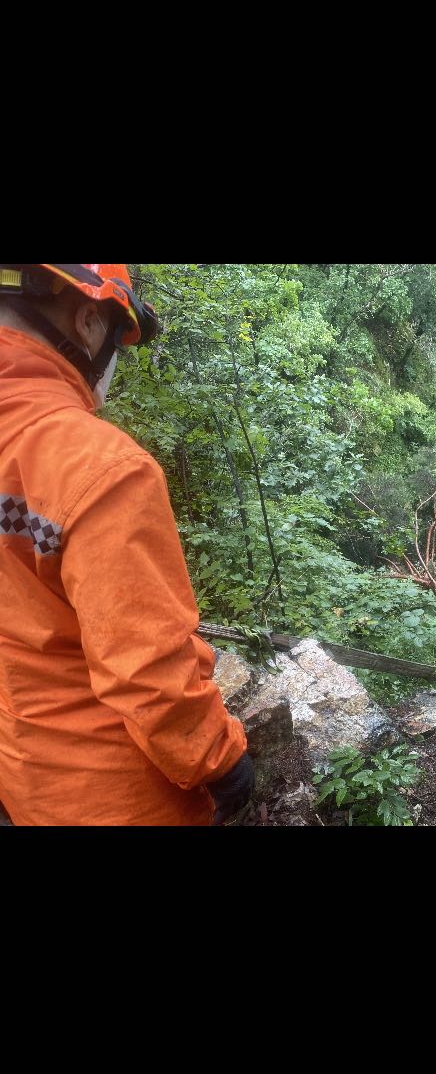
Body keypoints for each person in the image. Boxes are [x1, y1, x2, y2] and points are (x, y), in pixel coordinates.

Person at [0, 264, 255, 826]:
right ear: (89, 321)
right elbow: (148, 672)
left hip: (21, 777)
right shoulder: (99, 468)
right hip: (117, 797)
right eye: (119, 340)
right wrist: (223, 763)